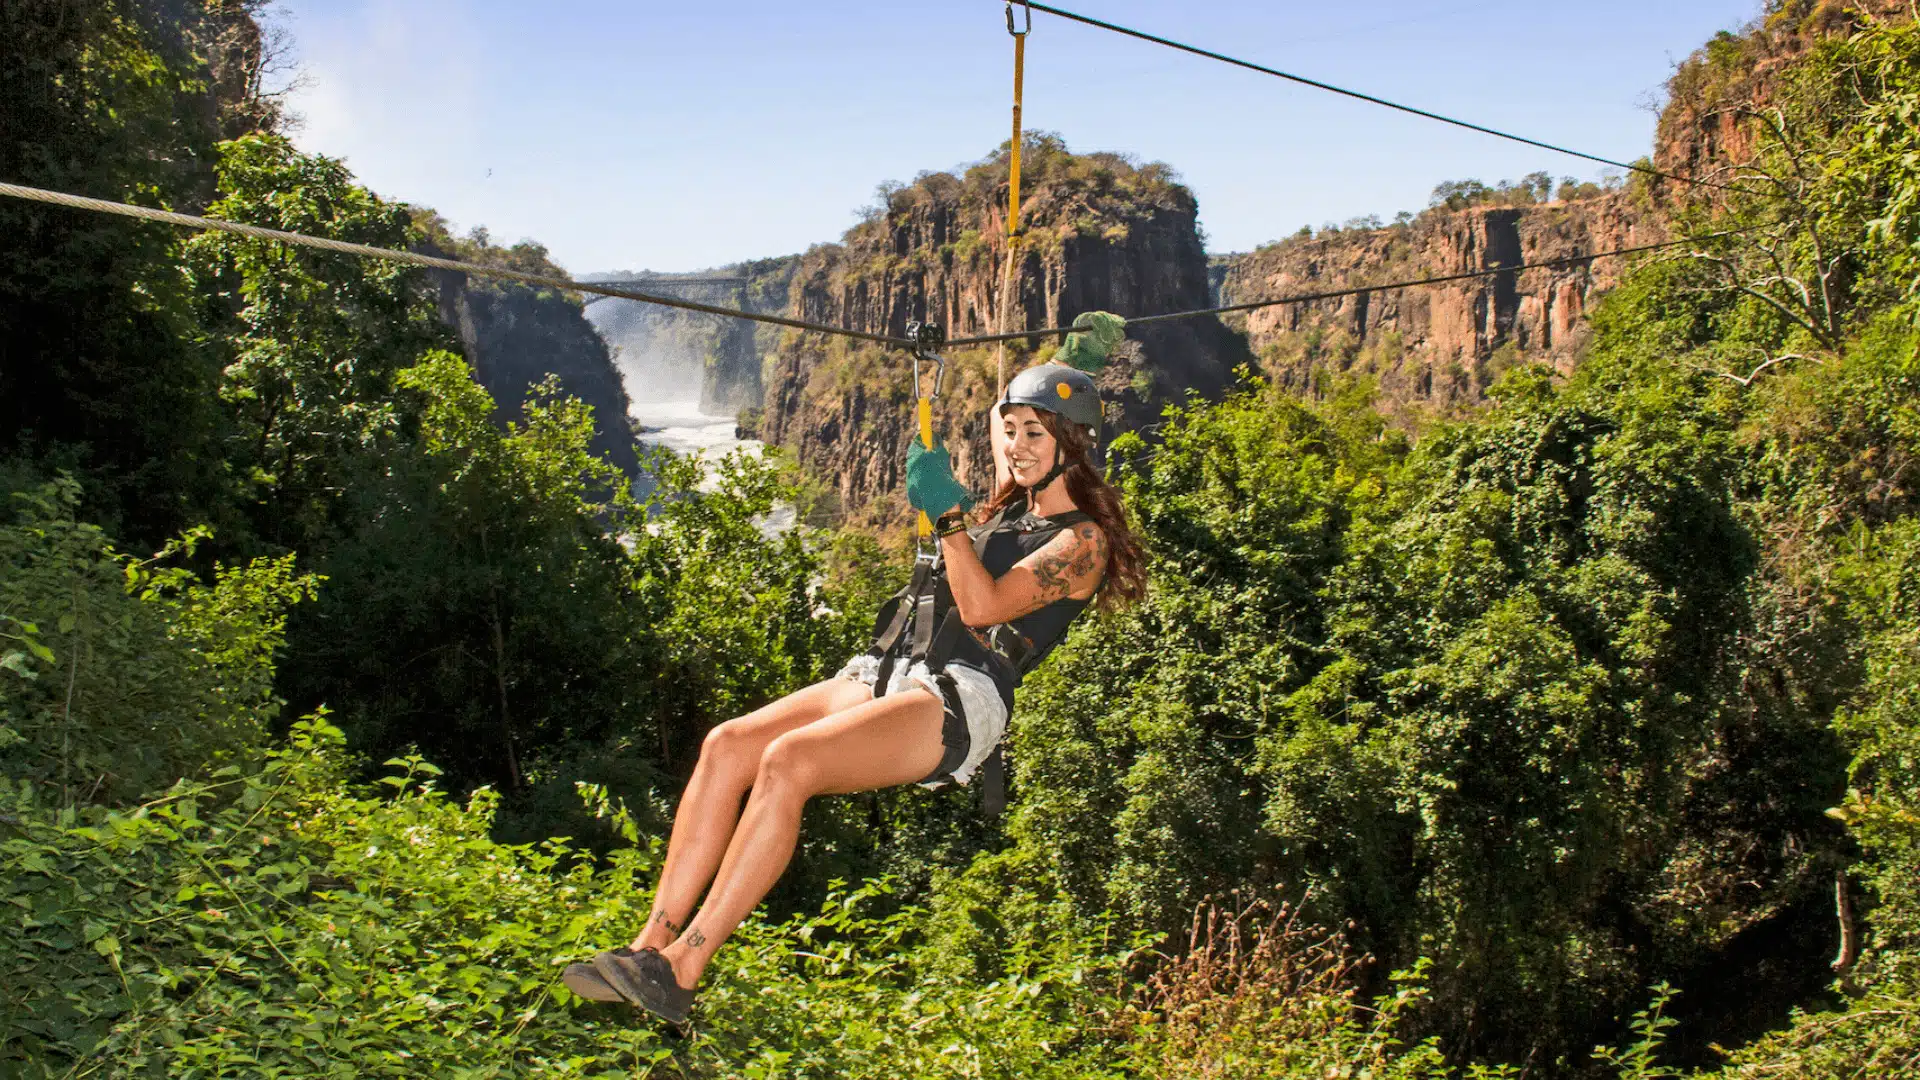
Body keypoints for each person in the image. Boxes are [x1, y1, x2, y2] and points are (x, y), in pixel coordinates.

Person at [561, 361, 1147, 1024]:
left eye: (1034, 434)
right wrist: (935, 377)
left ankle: (683, 969)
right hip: (895, 664)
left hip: (961, 692)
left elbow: (983, 608)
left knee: (789, 763)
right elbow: (1001, 422)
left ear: (1072, 441)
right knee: (728, 747)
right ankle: (647, 949)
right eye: (1009, 431)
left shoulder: (1083, 542)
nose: (1014, 445)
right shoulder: (1012, 499)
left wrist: (948, 513)